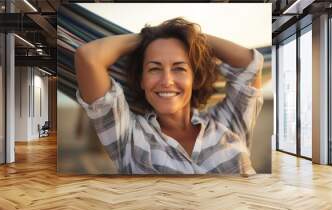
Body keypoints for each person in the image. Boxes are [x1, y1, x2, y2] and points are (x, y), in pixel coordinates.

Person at [75, 18, 263, 176]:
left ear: (195, 78)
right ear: (141, 80)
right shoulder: (128, 137)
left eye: (179, 68)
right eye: (154, 68)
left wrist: (189, 37)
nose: (167, 81)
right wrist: (148, 37)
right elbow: (89, 57)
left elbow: (250, 64)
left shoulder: (227, 123)